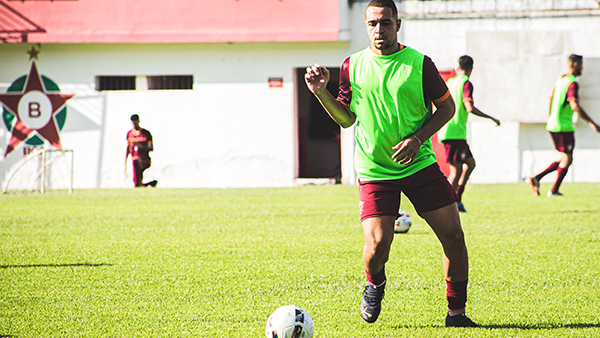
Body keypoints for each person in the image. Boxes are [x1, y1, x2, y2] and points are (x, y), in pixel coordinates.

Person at [304, 0, 477, 328]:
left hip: (419, 166)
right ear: (366, 26)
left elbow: (447, 108)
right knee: (378, 244)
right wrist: (320, 93)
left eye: (385, 23)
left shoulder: (420, 65)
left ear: (398, 24)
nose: (378, 30)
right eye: (372, 24)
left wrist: (417, 139)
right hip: (375, 170)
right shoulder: (351, 66)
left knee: (454, 237)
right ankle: (375, 283)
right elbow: (346, 120)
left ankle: (456, 313)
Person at [528, 54, 600, 197]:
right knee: (567, 158)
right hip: (563, 126)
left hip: (554, 124)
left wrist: (550, 117)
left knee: (564, 157)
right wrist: (592, 123)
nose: (582, 68)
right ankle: (553, 190)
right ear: (574, 64)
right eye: (580, 65)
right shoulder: (572, 83)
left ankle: (537, 178)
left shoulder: (561, 80)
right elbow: (574, 105)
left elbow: (551, 98)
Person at [438, 55, 500, 212]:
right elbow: (469, 107)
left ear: (458, 66)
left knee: (465, 166)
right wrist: (491, 117)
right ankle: (449, 202)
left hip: (447, 130)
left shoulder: (450, 82)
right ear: (471, 68)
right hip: (455, 132)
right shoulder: (465, 83)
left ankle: (455, 199)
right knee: (458, 169)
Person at [125, 114, 157, 188]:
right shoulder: (130, 134)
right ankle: (145, 184)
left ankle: (139, 184)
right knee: (135, 162)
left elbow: (151, 148)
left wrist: (140, 146)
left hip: (144, 159)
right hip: (134, 159)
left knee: (137, 161)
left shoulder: (146, 134)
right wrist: (125, 162)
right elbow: (128, 148)